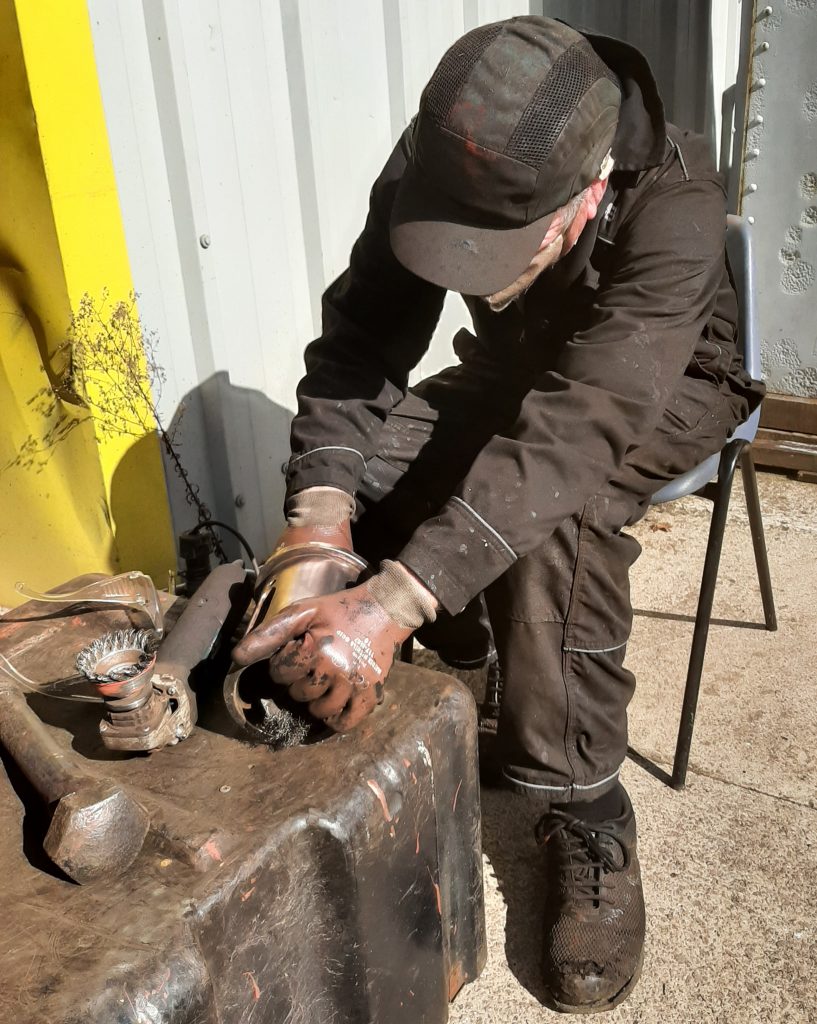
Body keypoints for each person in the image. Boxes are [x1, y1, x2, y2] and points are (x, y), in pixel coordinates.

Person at [233, 16, 762, 1014]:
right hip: (526, 369)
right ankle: (475, 670)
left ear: (591, 194)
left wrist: (389, 603)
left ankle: (585, 809)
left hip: (667, 378)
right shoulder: (448, 156)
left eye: (496, 251)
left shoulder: (678, 202)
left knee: (552, 513)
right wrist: (318, 526)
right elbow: (362, 342)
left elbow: (580, 428)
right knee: (377, 463)